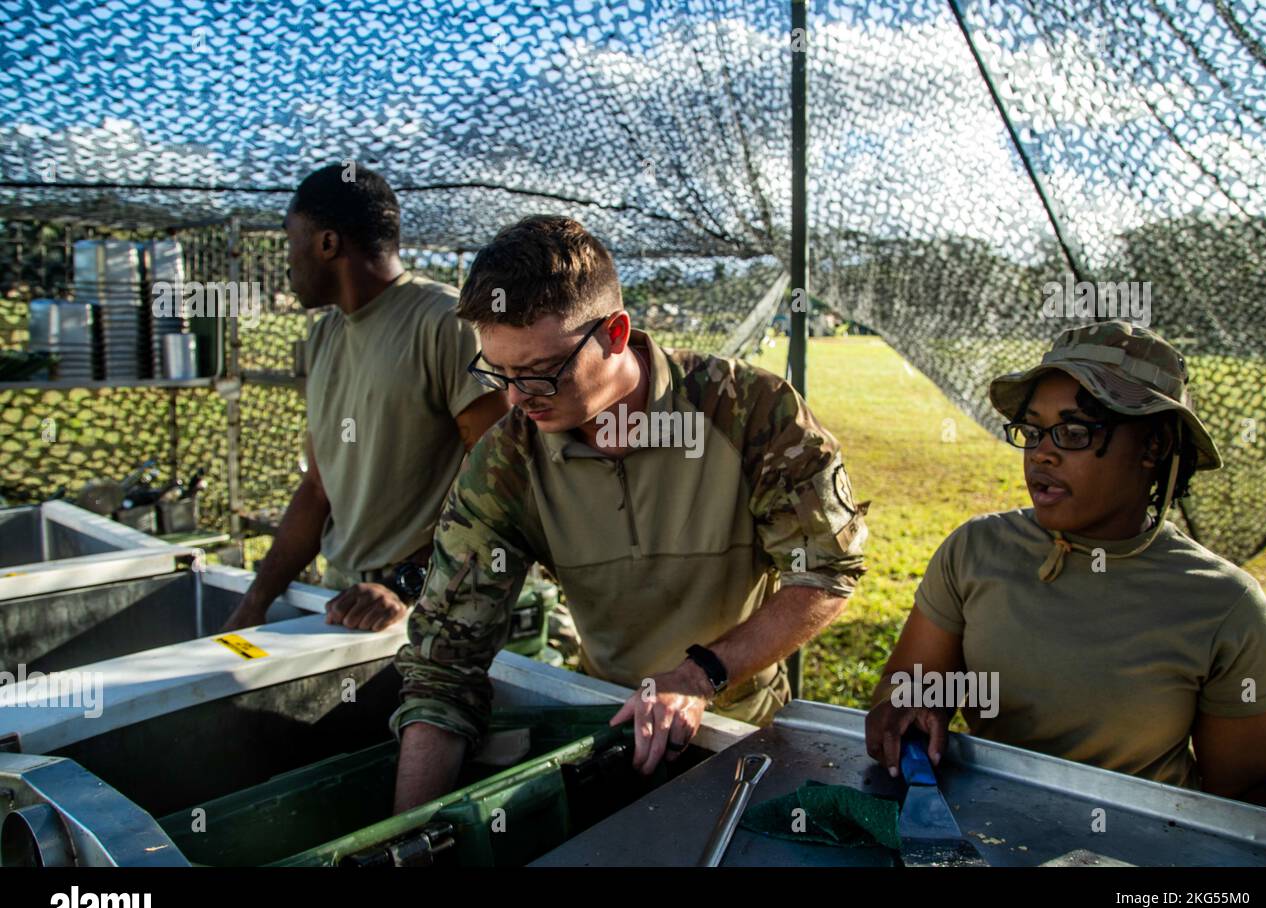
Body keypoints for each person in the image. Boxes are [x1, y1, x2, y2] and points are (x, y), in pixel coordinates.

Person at [391, 215, 868, 811]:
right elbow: (446, 664)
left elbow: (825, 570)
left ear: (615, 333)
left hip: (744, 735)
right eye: (500, 373)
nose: (516, 399)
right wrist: (407, 834)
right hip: (608, 730)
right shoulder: (506, 461)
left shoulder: (750, 412)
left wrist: (699, 677)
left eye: (540, 373)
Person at [866, 320, 1266, 840]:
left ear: (1153, 445)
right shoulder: (975, 551)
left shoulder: (1224, 607)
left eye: (1074, 432)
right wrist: (908, 711)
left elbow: (1249, 796)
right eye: (1033, 430)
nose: (1041, 454)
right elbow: (909, 689)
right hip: (983, 839)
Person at [223, 164, 507, 631]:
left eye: (290, 240)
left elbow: (498, 481)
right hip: (345, 596)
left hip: (433, 600)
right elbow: (318, 489)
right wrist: (254, 603)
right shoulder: (325, 337)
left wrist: (404, 585)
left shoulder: (444, 323)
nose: (287, 260)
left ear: (327, 244)